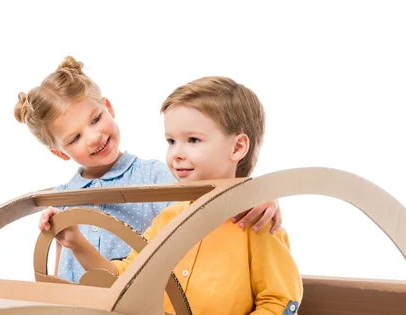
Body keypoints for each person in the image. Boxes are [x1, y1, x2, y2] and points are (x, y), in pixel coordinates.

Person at [40, 76, 303, 315]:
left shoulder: (260, 223)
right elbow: (125, 279)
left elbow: (278, 309)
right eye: (171, 141)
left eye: (192, 140)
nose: (176, 153)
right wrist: (77, 244)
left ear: (237, 147)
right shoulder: (167, 218)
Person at [15, 56, 283, 284]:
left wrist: (256, 195)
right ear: (60, 152)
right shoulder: (63, 197)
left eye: (96, 119)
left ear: (108, 108)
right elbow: (60, 268)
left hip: (137, 311)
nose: (93, 137)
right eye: (74, 138)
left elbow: (205, 204)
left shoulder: (154, 175)